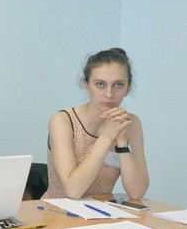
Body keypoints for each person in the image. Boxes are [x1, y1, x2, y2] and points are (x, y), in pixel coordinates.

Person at [44, 48, 149, 200]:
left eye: (118, 85)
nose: (109, 94)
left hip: (100, 211)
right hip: (56, 210)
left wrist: (121, 143)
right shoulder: (62, 120)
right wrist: (106, 138)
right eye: (100, 84)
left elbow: (137, 192)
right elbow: (73, 191)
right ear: (87, 86)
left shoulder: (132, 124)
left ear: (128, 88)